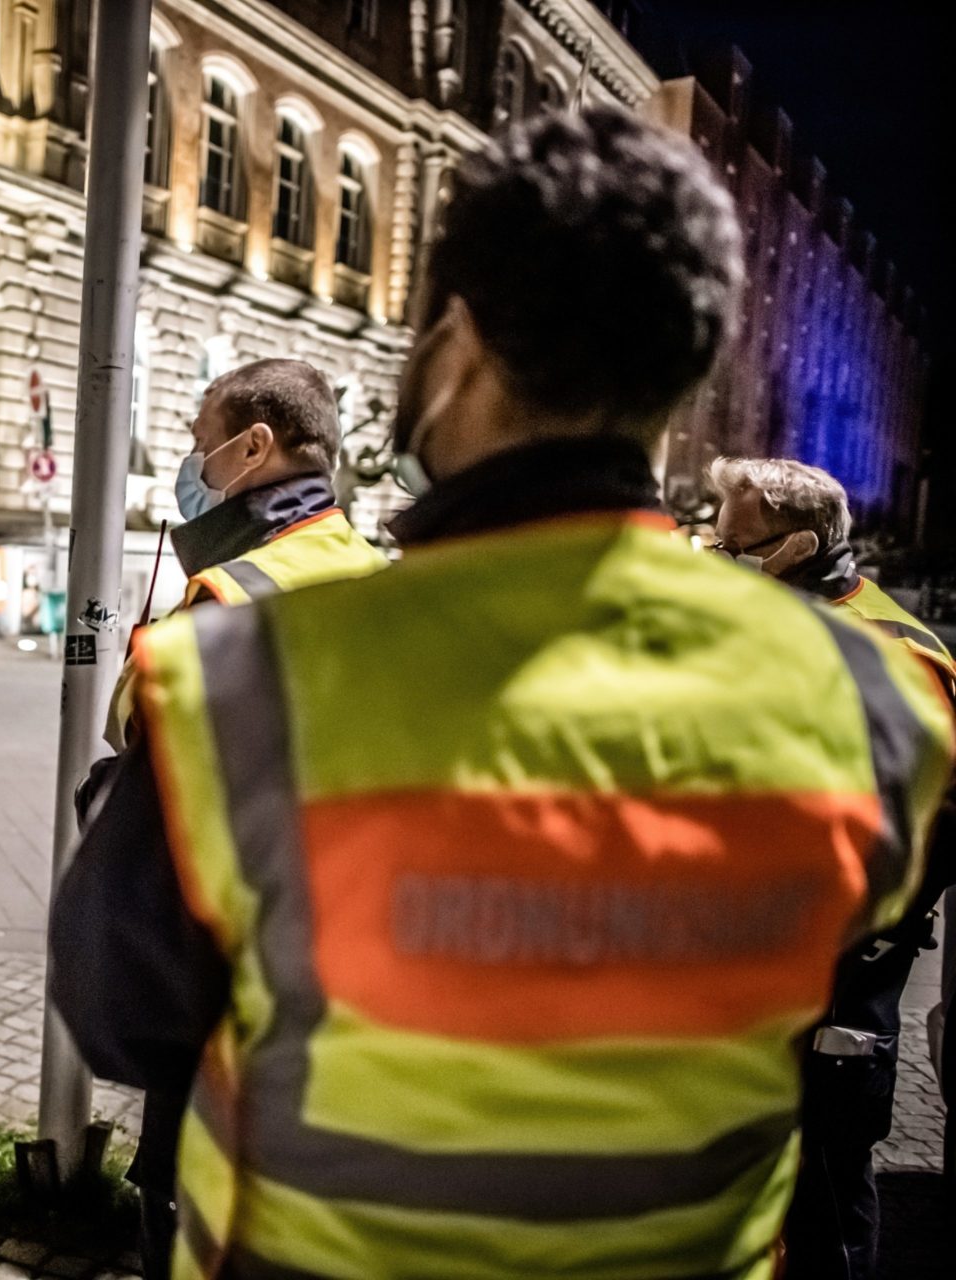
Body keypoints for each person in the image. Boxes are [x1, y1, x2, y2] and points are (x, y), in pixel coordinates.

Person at [49, 107, 954, 1280]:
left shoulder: (235, 683)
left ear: (460, 346)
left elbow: (123, 1011)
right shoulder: (876, 706)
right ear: (679, 379)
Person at [96, 357, 386, 1276]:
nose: (192, 466)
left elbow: (132, 735)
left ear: (254, 446)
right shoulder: (385, 582)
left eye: (198, 445)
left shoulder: (227, 598)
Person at [710, 455, 956, 1280]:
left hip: (834, 990)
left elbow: (917, 844)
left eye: (736, 545)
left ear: (798, 547)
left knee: (824, 1210)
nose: (718, 555)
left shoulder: (894, 657)